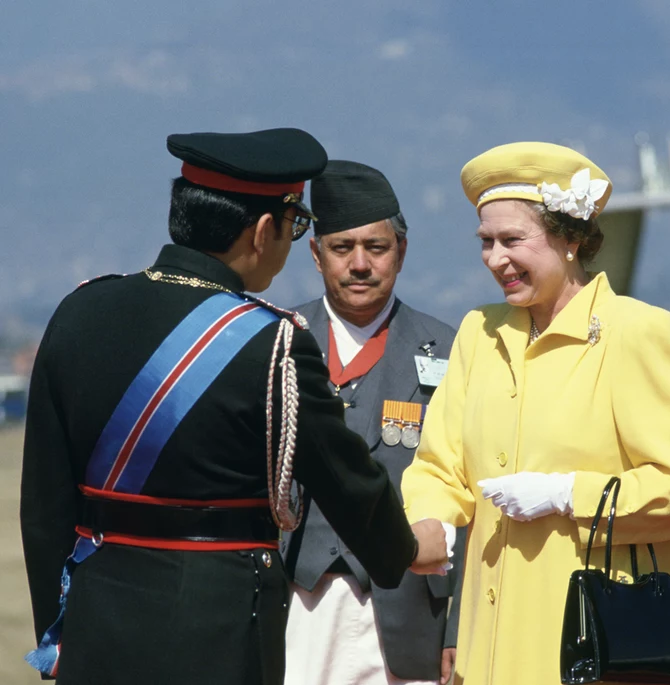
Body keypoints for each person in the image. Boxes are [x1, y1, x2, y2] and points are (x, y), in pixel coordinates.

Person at [19, 128, 450, 685]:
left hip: (97, 623)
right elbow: (346, 480)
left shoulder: (78, 311)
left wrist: (59, 635)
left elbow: (43, 506)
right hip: (220, 628)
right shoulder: (272, 341)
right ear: (264, 229)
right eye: (296, 229)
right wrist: (407, 547)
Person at [400, 141, 670, 685]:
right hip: (487, 650)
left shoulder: (639, 332)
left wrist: (566, 494)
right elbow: (439, 466)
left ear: (571, 239)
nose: (495, 259)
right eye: (486, 242)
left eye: (512, 240)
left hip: (589, 645)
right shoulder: (480, 331)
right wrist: (423, 525)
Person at [282, 160, 463, 685]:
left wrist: (458, 631)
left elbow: (473, 497)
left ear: (401, 252)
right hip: (294, 607)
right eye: (342, 248)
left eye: (376, 248)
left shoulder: (452, 351)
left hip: (409, 617)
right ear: (316, 255)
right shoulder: (276, 340)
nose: (360, 264)